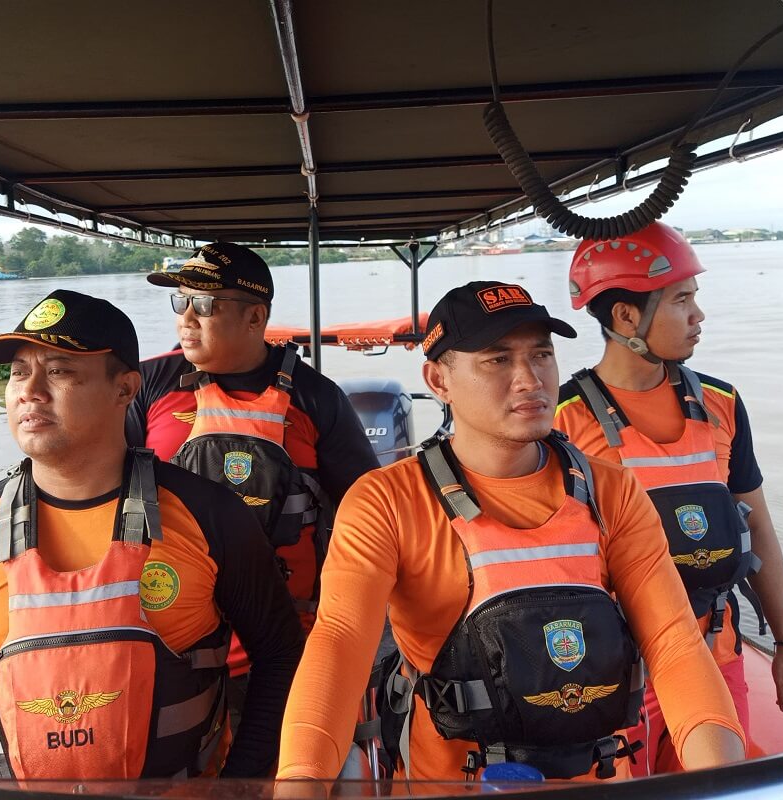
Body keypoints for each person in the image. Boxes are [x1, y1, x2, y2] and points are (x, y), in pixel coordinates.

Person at [277, 281, 745, 785]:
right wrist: (301, 779)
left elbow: (673, 641)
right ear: (438, 380)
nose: (530, 379)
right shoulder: (386, 501)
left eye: (541, 355)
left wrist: (726, 780)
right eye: (497, 360)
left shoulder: (612, 491)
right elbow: (342, 642)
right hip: (452, 781)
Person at [0, 289, 302, 781]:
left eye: (60, 371)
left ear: (126, 390)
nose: (30, 390)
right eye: (18, 372)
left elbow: (279, 656)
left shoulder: (209, 517)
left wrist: (240, 787)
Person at [556, 222, 783, 774]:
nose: (699, 315)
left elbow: (758, 526)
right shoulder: (562, 421)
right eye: (682, 300)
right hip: (616, 667)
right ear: (626, 317)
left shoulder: (722, 402)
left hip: (717, 654)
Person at [128, 242, 379, 708]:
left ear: (255, 318)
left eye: (204, 304)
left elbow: (367, 515)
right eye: (179, 300)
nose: (186, 318)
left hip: (286, 640)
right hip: (171, 640)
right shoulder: (147, 386)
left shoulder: (316, 399)